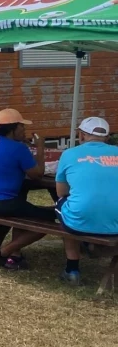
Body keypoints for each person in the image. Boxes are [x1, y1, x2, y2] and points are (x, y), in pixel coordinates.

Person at [0, 108, 51, 270]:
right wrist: (40, 147)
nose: (24, 130)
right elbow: (37, 174)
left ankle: (15, 255)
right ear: (13, 129)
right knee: (47, 220)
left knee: (22, 206)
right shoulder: (18, 149)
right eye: (22, 127)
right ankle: (3, 252)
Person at [55, 117, 118, 285]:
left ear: (81, 135)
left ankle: (72, 269)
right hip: (115, 222)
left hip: (79, 221)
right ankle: (90, 247)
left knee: (66, 208)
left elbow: (61, 192)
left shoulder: (69, 154)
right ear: (106, 137)